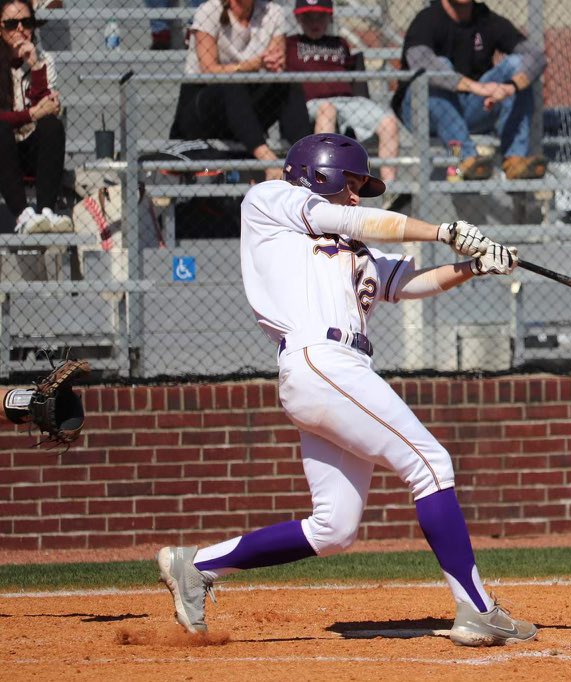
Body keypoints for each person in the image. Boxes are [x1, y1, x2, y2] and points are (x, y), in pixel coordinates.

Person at [156, 133, 537, 647]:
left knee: (334, 528)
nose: (358, 194)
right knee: (431, 465)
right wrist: (443, 230)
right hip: (319, 358)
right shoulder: (271, 200)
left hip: (338, 370)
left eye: (361, 186)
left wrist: (475, 266)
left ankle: (197, 566)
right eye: (352, 182)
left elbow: (406, 284)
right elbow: (349, 219)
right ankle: (478, 610)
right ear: (319, 173)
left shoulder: (351, 250)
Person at [393, 0, 548, 182]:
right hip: (422, 113)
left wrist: (509, 87)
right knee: (439, 70)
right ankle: (464, 158)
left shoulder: (485, 18)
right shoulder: (428, 19)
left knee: (516, 65)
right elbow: (421, 62)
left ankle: (514, 160)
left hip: (471, 108)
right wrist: (475, 87)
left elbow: (536, 57)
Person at [170, 0, 312, 181]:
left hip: (246, 106)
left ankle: (306, 160)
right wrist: (251, 65)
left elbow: (277, 61)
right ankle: (267, 160)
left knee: (289, 84)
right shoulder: (209, 10)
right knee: (231, 83)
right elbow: (208, 69)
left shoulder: (272, 12)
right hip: (203, 105)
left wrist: (273, 63)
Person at [285, 0, 402, 191]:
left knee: (388, 121)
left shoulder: (340, 42)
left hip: (348, 102)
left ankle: (390, 188)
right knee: (327, 110)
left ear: (329, 17)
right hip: (313, 103)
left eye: (320, 17)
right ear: (298, 18)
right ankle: (322, 185)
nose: (315, 23)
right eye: (308, 17)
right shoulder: (290, 44)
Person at [0, 0, 71, 233]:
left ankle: (46, 213)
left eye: (26, 22)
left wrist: (35, 66)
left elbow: (48, 108)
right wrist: (31, 113)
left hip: (29, 148)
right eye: (11, 24)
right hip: (2, 149)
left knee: (52, 126)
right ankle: (23, 216)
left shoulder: (44, 60)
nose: (20, 29)